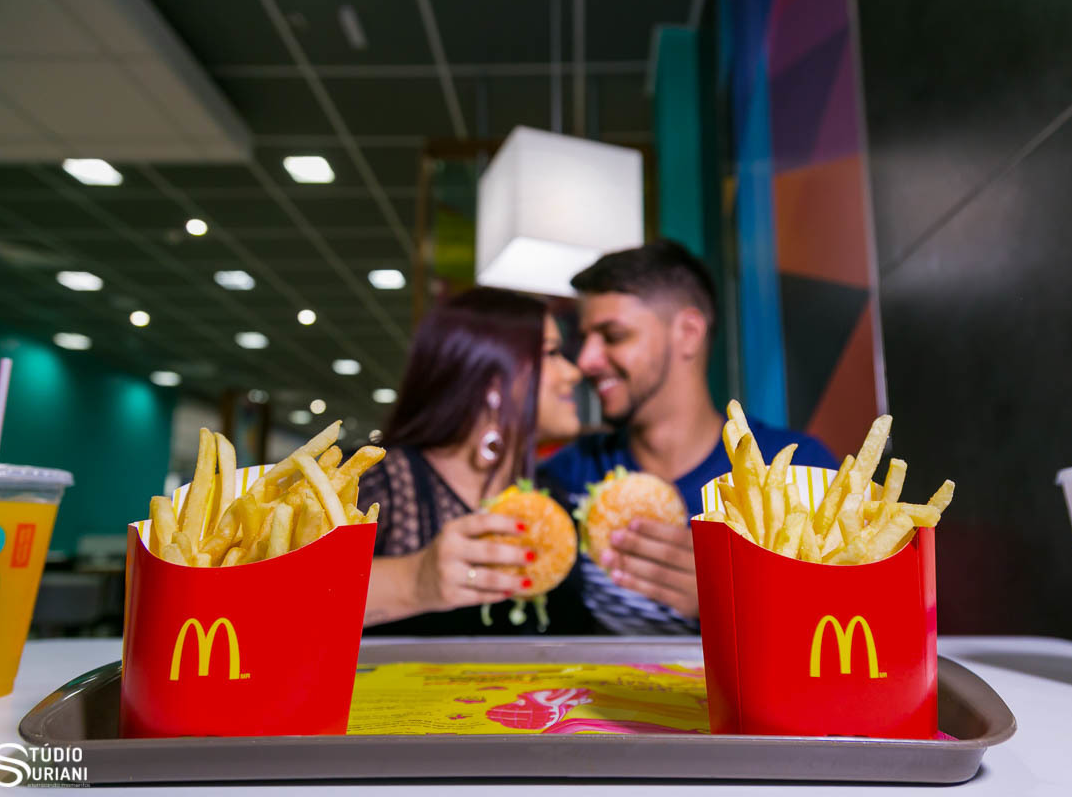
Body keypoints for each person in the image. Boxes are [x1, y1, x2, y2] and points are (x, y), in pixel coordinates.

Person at [539, 240, 837, 634]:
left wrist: (732, 602)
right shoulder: (567, 475)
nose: (585, 361)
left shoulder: (798, 475)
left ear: (689, 333)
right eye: (584, 340)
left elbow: (850, 631)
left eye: (613, 335)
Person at [357, 287, 594, 634]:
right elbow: (287, 602)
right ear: (492, 381)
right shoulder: (382, 484)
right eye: (552, 353)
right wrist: (415, 581)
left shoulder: (552, 496)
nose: (574, 372)